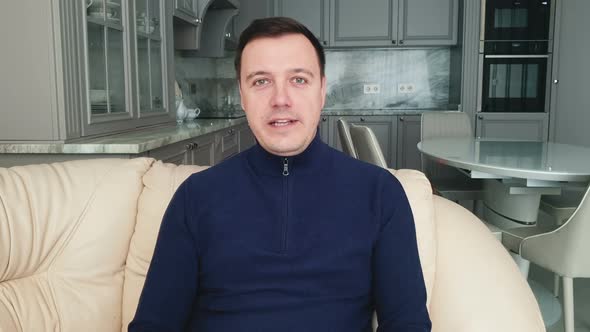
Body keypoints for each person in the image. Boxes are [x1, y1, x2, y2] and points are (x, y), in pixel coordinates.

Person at [129, 17, 431, 332]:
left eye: (298, 79)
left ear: (322, 91)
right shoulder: (196, 196)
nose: (280, 99)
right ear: (242, 95)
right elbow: (154, 324)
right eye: (261, 81)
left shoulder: (380, 193)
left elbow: (407, 323)